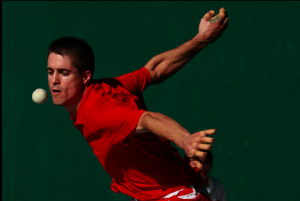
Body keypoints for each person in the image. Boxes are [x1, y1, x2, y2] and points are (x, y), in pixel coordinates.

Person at [46, 8, 228, 201]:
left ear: (85, 77)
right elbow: (155, 70)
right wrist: (202, 39)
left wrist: (184, 140)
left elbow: (148, 119)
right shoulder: (107, 87)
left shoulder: (98, 111)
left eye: (64, 73)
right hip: (156, 193)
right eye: (50, 72)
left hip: (175, 194)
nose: (54, 80)